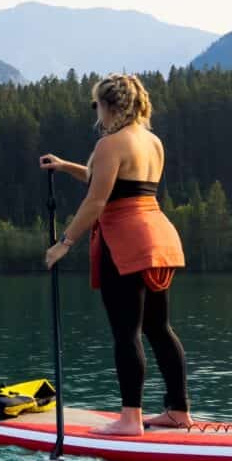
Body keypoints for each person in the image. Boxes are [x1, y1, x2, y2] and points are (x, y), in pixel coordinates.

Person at [39, 74, 189, 435]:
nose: (97, 114)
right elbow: (116, 183)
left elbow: (97, 200)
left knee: (126, 332)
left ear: (110, 105)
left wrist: (65, 243)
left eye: (97, 106)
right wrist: (65, 166)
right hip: (159, 237)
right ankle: (178, 411)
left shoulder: (111, 144)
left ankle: (129, 419)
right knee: (158, 327)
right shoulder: (152, 141)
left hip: (124, 241)